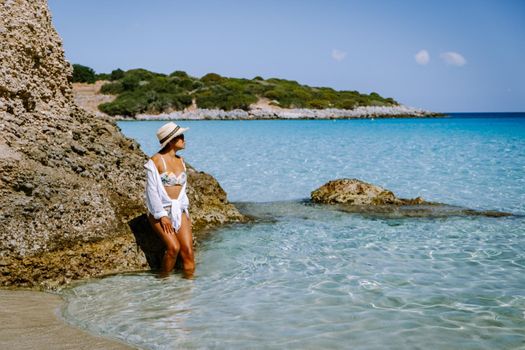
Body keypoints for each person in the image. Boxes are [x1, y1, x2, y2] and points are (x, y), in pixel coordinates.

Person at [144, 122, 194, 277]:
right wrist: (161, 215)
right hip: (161, 212)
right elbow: (151, 191)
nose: (184, 140)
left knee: (188, 252)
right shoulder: (156, 160)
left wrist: (186, 212)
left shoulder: (181, 161)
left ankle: (189, 290)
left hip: (179, 210)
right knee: (174, 248)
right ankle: (163, 284)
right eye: (181, 137)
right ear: (172, 140)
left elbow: (182, 191)